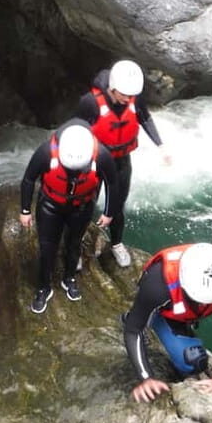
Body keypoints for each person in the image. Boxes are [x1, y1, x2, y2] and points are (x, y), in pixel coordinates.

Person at [122, 243, 212, 403]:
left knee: (197, 363)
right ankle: (138, 316)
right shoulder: (158, 285)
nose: (203, 303)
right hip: (166, 308)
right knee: (193, 362)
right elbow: (133, 331)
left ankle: (142, 316)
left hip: (184, 311)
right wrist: (146, 377)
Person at [75, 59, 170, 268]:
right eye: (124, 95)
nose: (128, 99)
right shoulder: (90, 102)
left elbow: (145, 119)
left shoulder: (134, 99)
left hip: (121, 161)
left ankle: (117, 243)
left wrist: (160, 146)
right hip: (95, 161)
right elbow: (77, 131)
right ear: (113, 88)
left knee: (117, 206)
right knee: (85, 206)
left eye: (131, 95)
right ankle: (77, 246)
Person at [20, 119, 119, 314]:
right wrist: (25, 210)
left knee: (74, 244)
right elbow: (28, 179)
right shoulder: (46, 152)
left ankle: (69, 278)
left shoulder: (102, 156)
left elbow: (112, 184)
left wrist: (109, 213)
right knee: (47, 248)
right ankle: (43, 287)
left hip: (81, 207)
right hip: (50, 205)